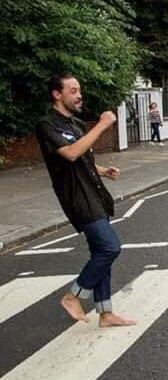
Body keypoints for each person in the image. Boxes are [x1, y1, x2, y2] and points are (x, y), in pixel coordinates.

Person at [35, 73, 136, 327]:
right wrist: (101, 125)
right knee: (110, 247)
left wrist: (102, 170)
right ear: (57, 94)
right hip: (77, 197)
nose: (79, 95)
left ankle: (105, 313)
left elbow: (83, 158)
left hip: (94, 193)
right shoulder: (48, 125)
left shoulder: (76, 124)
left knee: (101, 252)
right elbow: (69, 154)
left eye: (79, 90)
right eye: (72, 90)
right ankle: (73, 296)